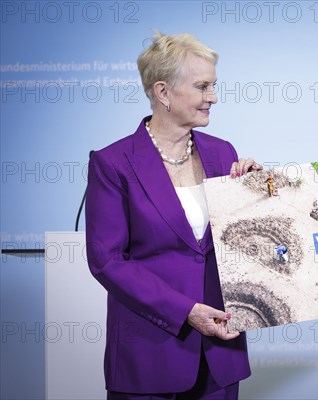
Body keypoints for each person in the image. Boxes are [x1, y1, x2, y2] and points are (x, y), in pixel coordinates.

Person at [86, 32, 259, 399]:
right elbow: (107, 261)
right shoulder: (112, 163)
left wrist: (257, 195)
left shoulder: (223, 151)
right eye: (202, 87)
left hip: (221, 352)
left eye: (213, 85)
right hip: (148, 354)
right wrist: (185, 311)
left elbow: (240, 245)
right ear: (163, 92)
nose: (213, 97)